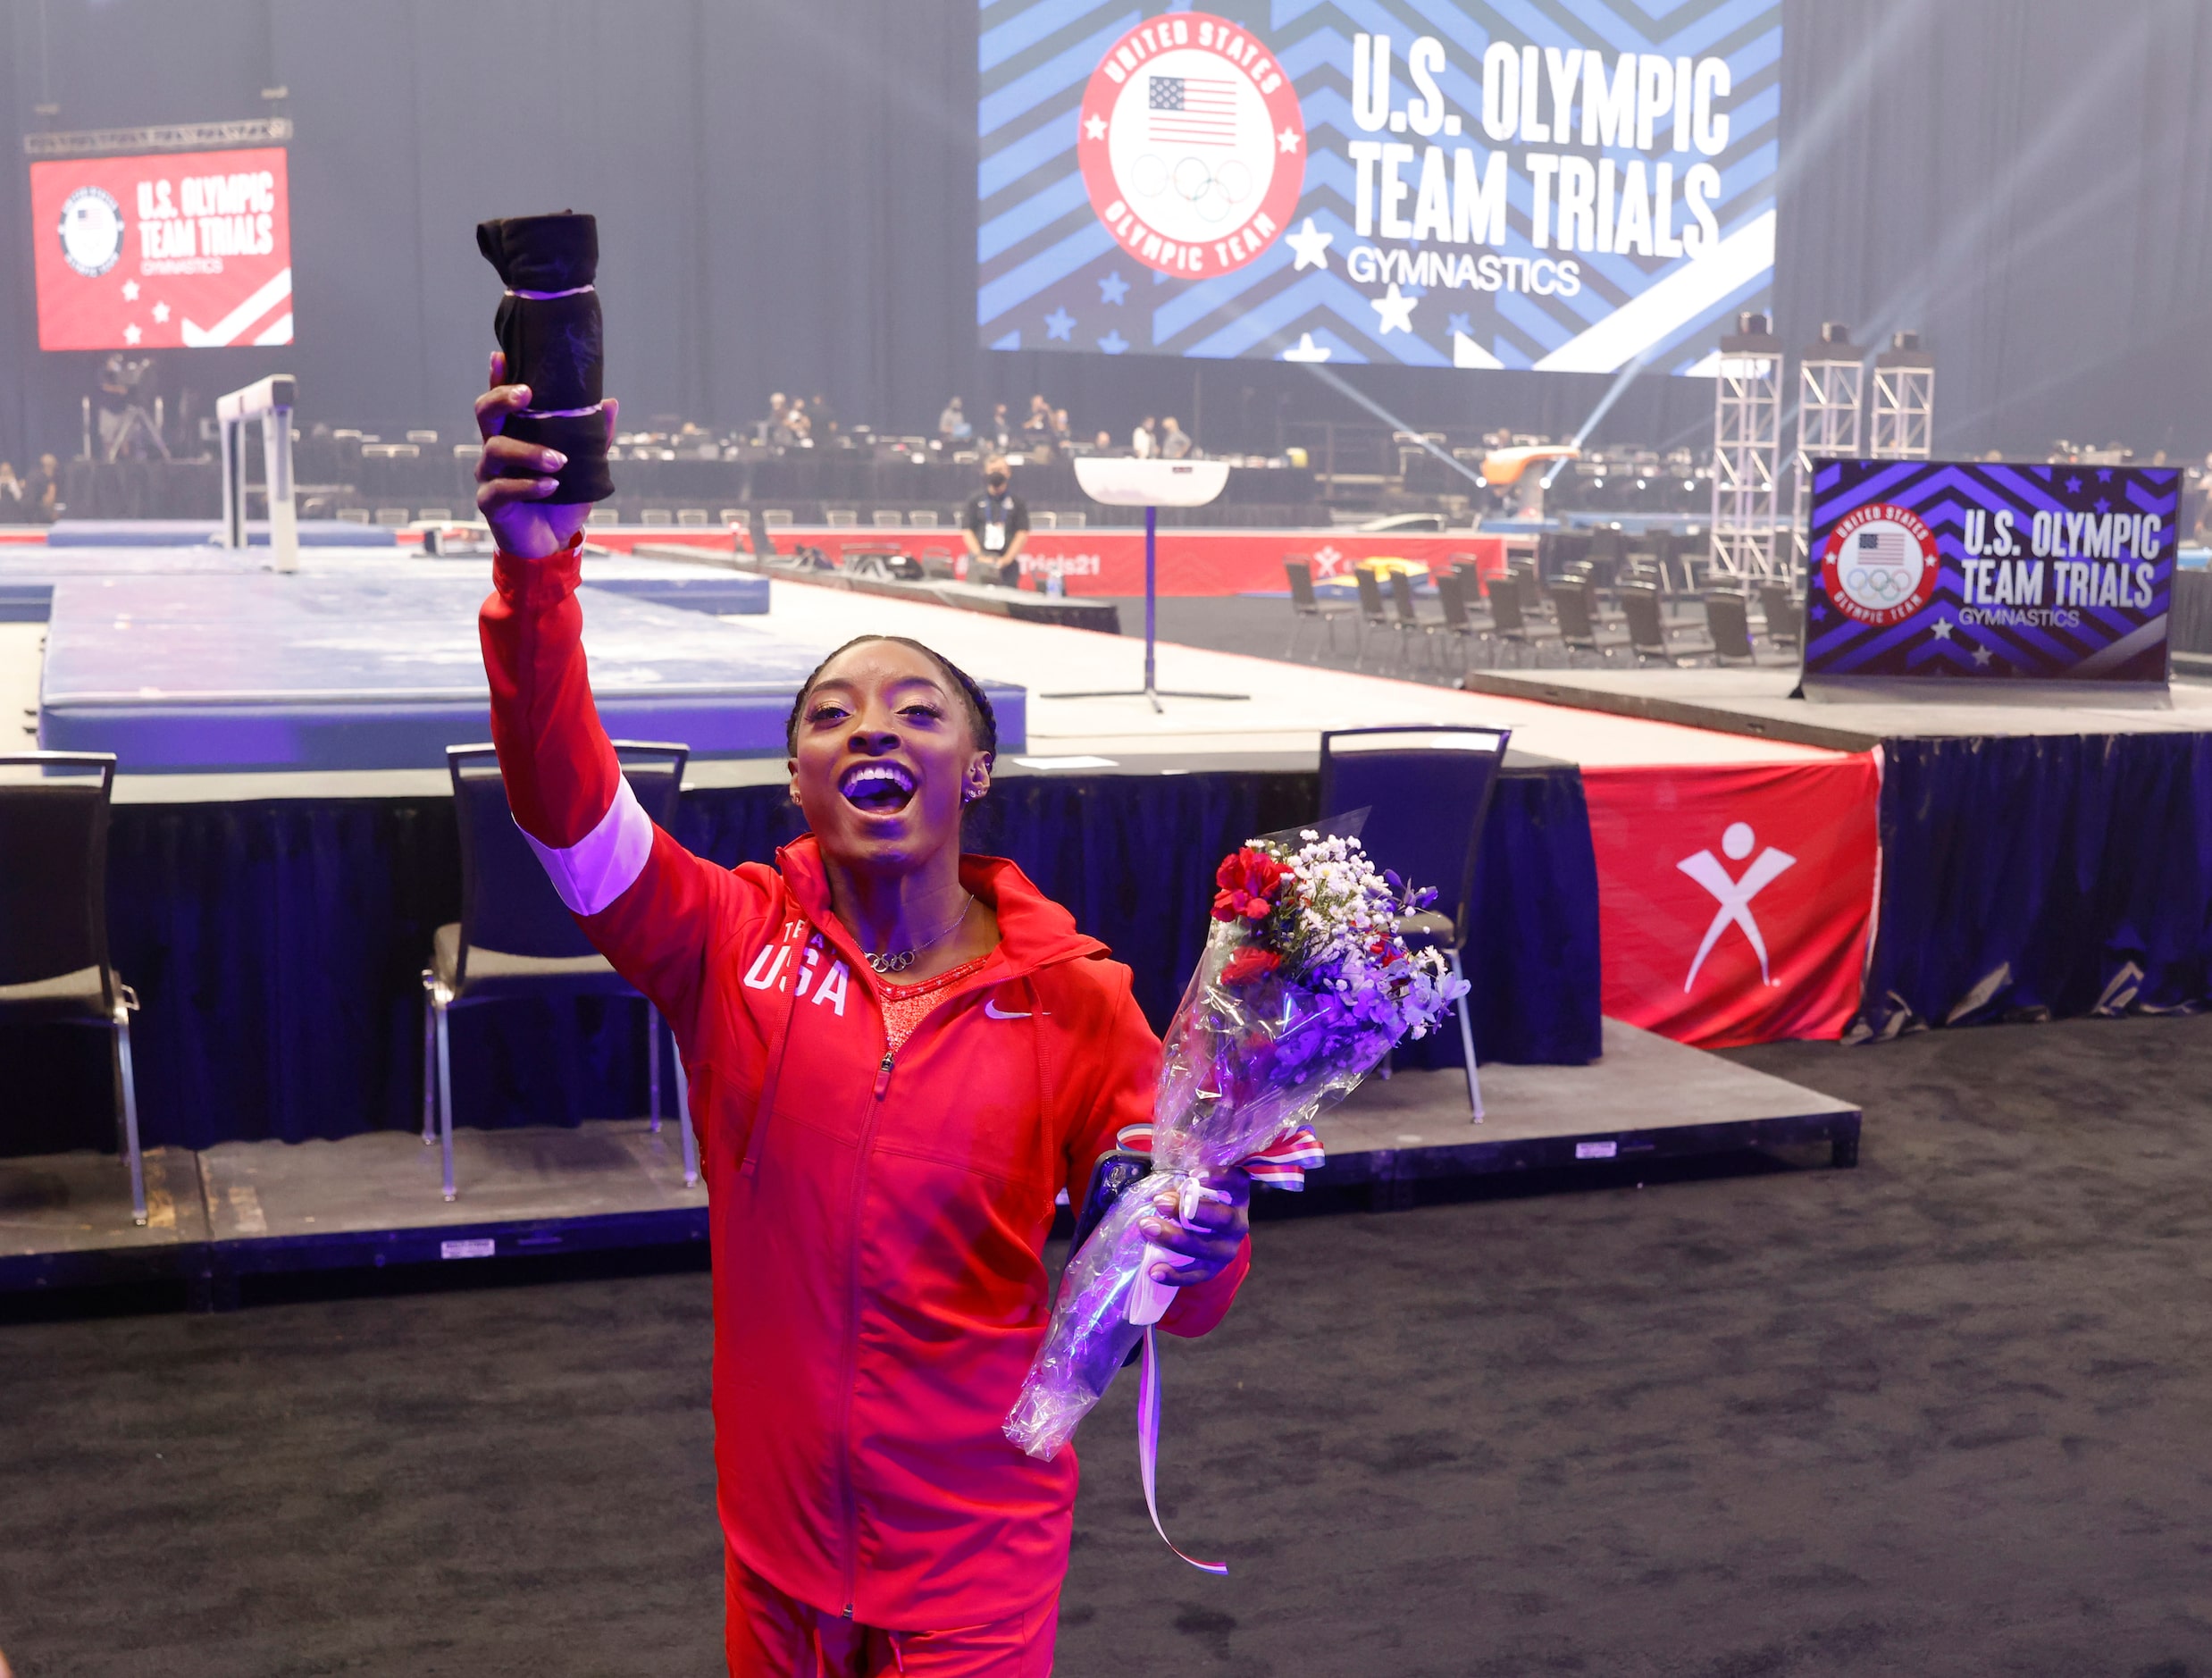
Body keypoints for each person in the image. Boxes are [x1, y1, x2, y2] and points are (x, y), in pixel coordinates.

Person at [472, 351, 1252, 1674]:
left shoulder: (1076, 999)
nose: (869, 730)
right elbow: (565, 812)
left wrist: (1206, 1230)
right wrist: (538, 574)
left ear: (978, 770)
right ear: (797, 780)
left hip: (977, 1573)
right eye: (830, 717)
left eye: (916, 710)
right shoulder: (725, 938)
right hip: (774, 1564)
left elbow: (1179, 1302)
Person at [961, 454, 1030, 587]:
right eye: (993, 470)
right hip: (979, 563)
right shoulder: (975, 501)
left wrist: (1006, 559)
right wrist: (980, 557)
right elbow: (967, 530)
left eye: (1000, 470)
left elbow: (1022, 533)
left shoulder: (1017, 502)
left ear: (1008, 473)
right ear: (986, 473)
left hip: (1007, 565)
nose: (996, 474)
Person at [21, 454, 60, 524]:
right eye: (54, 466)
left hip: (29, 517)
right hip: (40, 519)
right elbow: (48, 500)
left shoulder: (32, 476)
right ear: (48, 466)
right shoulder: (41, 480)